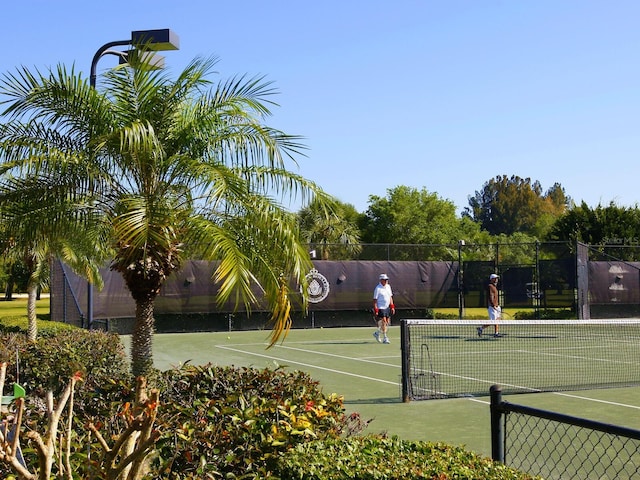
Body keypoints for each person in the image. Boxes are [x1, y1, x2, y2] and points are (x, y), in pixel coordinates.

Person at [373, 273, 394, 344]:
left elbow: (390, 297)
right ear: (381, 280)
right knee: (384, 322)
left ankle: (377, 333)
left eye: (387, 279)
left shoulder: (388, 287)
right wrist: (376, 310)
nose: (386, 281)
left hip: (387, 307)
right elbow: (375, 301)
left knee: (386, 323)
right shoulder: (377, 288)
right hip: (380, 308)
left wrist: (392, 307)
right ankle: (385, 338)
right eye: (385, 280)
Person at [478, 273, 501, 337]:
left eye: (497, 278)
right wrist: (493, 305)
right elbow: (490, 296)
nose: (496, 280)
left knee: (498, 319)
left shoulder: (494, 287)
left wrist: (497, 305)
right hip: (492, 306)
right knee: (493, 321)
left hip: (497, 306)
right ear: (492, 279)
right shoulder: (490, 286)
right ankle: (481, 328)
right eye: (495, 278)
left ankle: (496, 333)